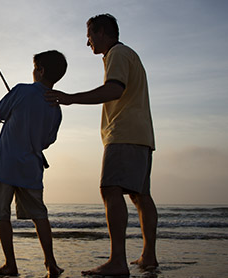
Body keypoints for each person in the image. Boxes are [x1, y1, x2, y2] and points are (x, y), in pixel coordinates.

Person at [45, 14, 158, 276]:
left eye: (89, 36)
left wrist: (70, 98)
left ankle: (117, 261)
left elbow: (114, 90)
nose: (88, 43)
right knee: (140, 196)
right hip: (142, 135)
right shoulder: (130, 54)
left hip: (123, 133)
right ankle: (149, 256)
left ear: (102, 32)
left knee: (110, 189)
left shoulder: (117, 53)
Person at [0, 50, 67, 277]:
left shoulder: (21, 90)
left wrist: (1, 117)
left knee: (2, 214)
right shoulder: (56, 107)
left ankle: (10, 264)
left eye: (34, 68)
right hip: (31, 168)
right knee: (39, 215)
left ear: (39, 70)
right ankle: (51, 263)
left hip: (5, 165)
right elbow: (48, 140)